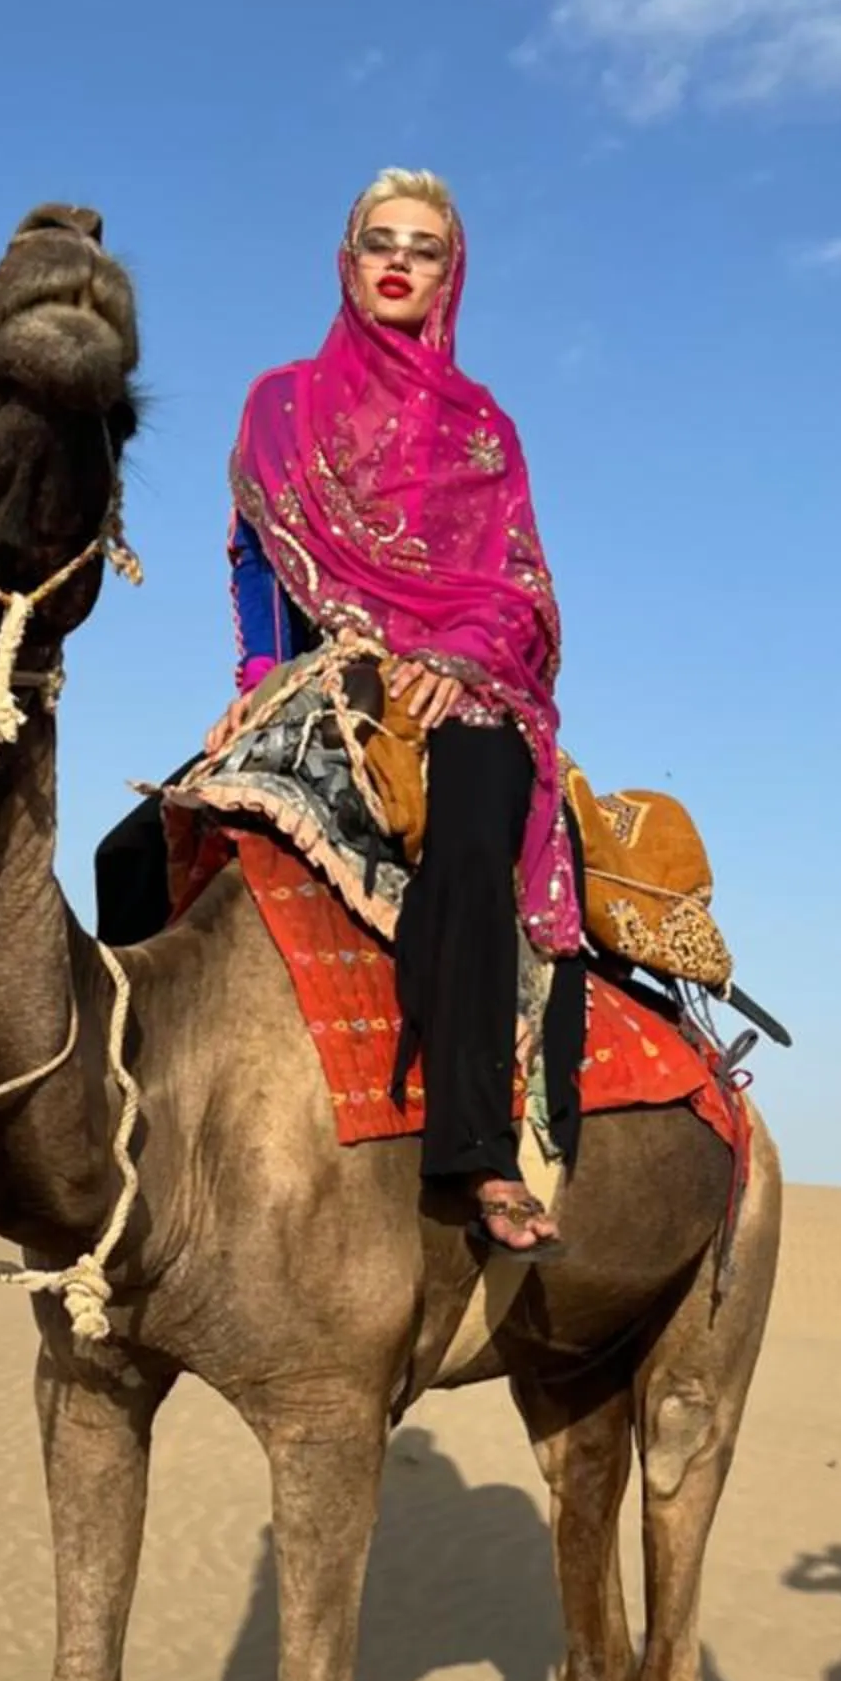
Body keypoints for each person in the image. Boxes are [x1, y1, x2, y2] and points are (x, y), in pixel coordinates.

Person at [216, 170, 584, 1258]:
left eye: (423, 248)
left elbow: (519, 592)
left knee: (469, 846)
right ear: (346, 257)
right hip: (325, 678)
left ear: (448, 274)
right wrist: (256, 687)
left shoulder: (485, 431)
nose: (399, 259)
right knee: (147, 841)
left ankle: (477, 1152)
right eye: (380, 240)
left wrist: (458, 661)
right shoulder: (280, 402)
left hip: (467, 689)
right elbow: (258, 558)